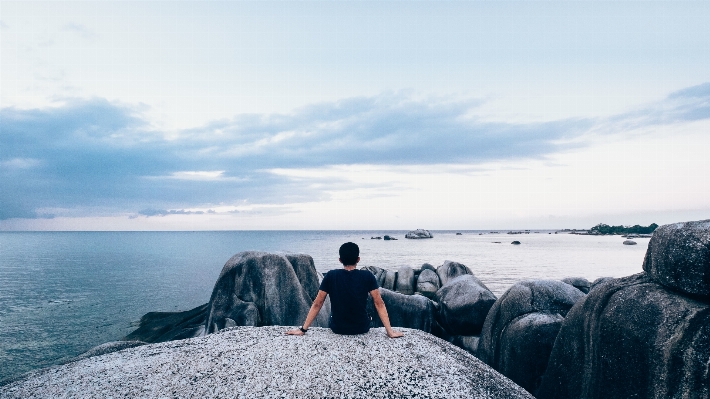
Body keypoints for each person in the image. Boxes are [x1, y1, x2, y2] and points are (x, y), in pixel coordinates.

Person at [287, 242, 404, 338]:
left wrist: (303, 329)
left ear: (340, 260)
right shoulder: (367, 276)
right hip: (361, 328)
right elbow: (379, 303)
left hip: (338, 328)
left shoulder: (331, 276)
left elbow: (317, 303)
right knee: (368, 315)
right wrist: (390, 332)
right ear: (358, 259)